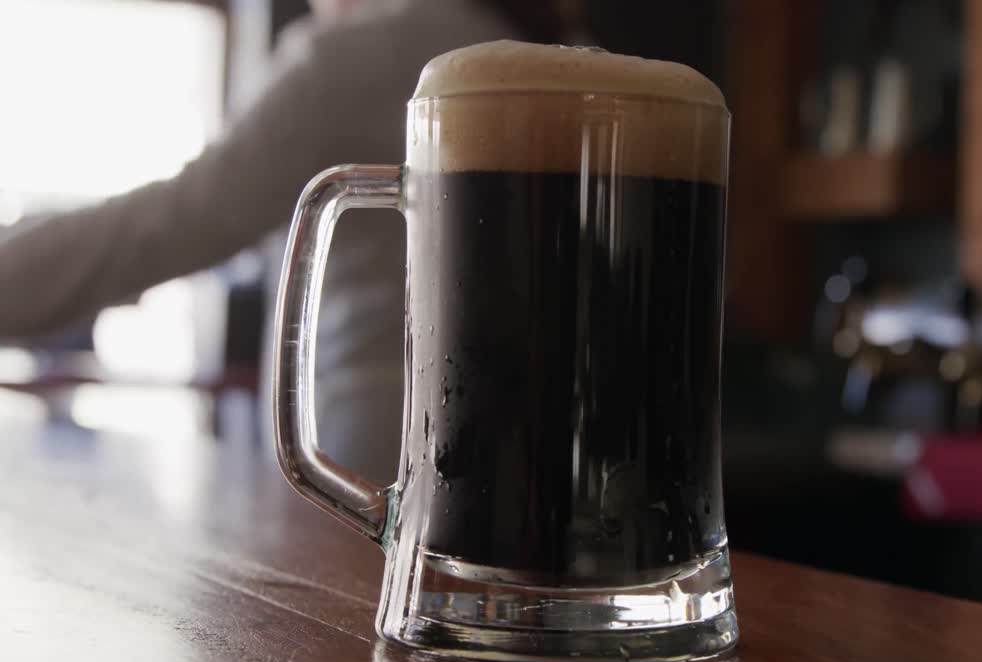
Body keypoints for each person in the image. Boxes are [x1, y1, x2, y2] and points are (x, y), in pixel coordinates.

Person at [0, 0, 571, 482]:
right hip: (538, 452)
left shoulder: (348, 61)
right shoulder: (561, 59)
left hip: (362, 452)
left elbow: (166, 224)